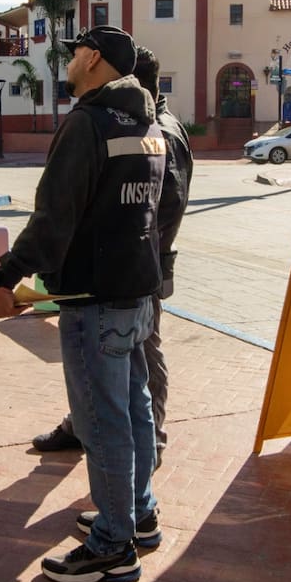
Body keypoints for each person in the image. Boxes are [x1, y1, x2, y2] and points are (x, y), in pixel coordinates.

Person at [0, 26, 166, 582]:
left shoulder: (87, 122)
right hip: (138, 291)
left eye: (74, 55)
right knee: (134, 408)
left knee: (102, 419)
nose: (68, 64)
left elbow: (54, 214)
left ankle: (113, 543)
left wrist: (8, 272)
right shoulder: (149, 123)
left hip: (94, 297)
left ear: (92, 59)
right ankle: (137, 512)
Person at [31, 47, 193, 469]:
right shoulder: (136, 121)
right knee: (110, 364)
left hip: (138, 270)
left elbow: (168, 202)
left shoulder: (159, 130)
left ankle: (149, 446)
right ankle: (82, 426)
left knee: (142, 359)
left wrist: (134, 245)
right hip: (128, 268)